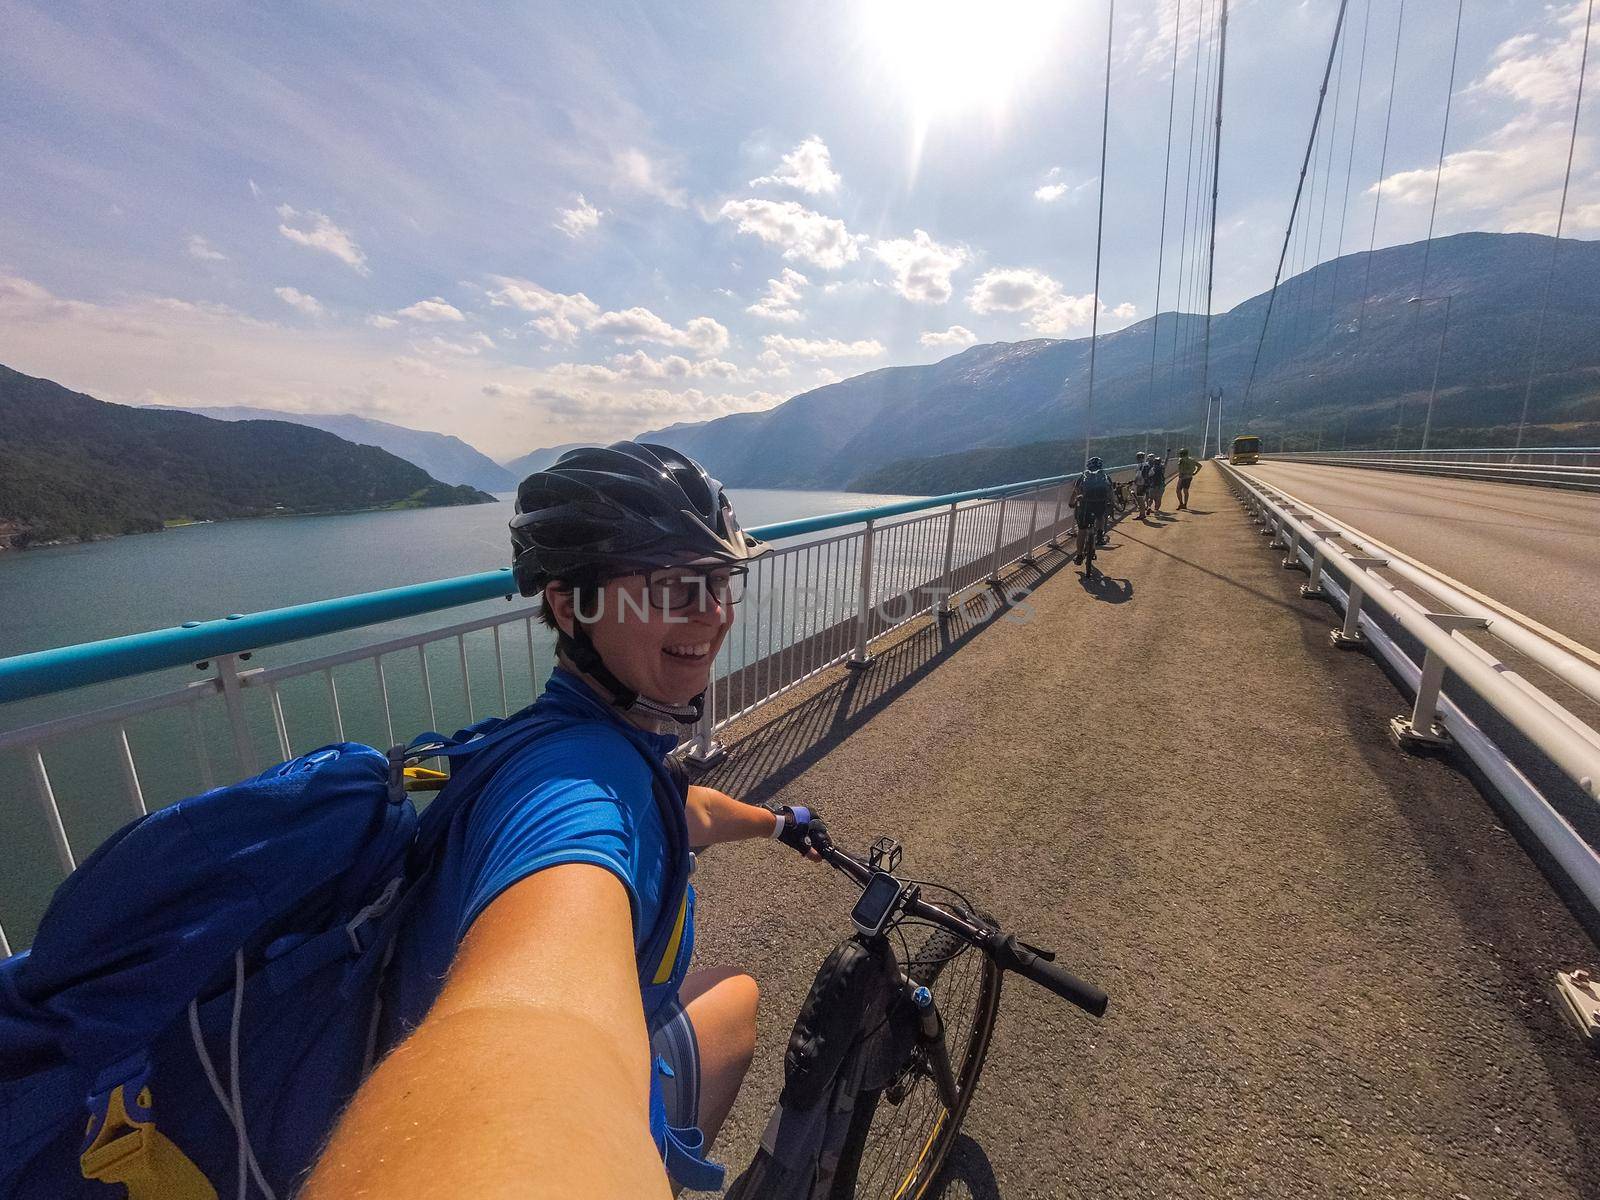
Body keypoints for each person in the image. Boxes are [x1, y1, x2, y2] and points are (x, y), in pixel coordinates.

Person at [305, 442, 819, 1199]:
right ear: (568, 604)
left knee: (730, 991)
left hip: (369, 1042)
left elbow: (682, 807)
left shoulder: (545, 743)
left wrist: (779, 823)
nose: (712, 615)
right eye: (676, 586)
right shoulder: (573, 797)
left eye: (720, 581)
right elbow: (528, 1021)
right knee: (736, 1001)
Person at [1070, 455, 1114, 570]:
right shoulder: (1105, 476)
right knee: (1100, 516)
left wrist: (1072, 502)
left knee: (1082, 530)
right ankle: (1099, 535)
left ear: (1088, 466)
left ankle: (1079, 556)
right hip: (1100, 504)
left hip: (1085, 505)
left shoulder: (1084, 476)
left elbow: (1076, 490)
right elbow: (1110, 492)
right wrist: (1111, 502)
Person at [1131, 451, 1150, 518]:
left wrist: (1134, 482)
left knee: (1140, 499)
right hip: (1146, 484)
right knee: (1143, 498)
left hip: (1140, 484)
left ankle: (1142, 514)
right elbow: (1151, 473)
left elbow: (1138, 475)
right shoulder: (1147, 465)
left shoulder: (1139, 465)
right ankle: (1143, 512)